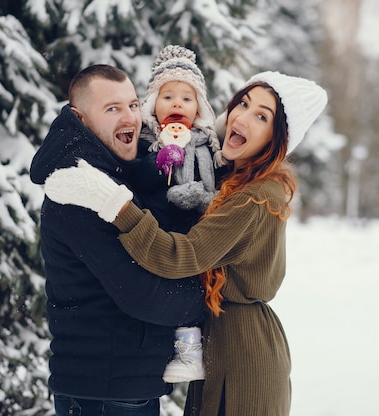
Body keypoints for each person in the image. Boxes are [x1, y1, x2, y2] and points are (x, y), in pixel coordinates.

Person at [43, 70, 328, 415]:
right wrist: (223, 133)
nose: (242, 116)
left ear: (275, 138)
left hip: (243, 354)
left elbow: (182, 255)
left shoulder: (255, 196)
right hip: (206, 353)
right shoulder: (233, 182)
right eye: (242, 104)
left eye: (261, 116)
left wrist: (115, 205)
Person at [29, 64, 208, 416]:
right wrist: (208, 299)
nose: (130, 118)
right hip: (103, 393)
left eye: (132, 105)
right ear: (81, 119)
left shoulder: (117, 170)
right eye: (112, 109)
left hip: (122, 387)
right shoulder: (79, 188)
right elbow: (144, 296)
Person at [132, 44, 227, 384]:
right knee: (158, 291)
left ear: (198, 107)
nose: (176, 104)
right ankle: (156, 348)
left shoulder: (207, 142)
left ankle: (189, 355)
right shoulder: (146, 140)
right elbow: (137, 178)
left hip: (193, 227)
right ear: (153, 103)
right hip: (158, 224)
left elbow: (217, 174)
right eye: (168, 96)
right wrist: (159, 163)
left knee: (189, 295)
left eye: (186, 99)